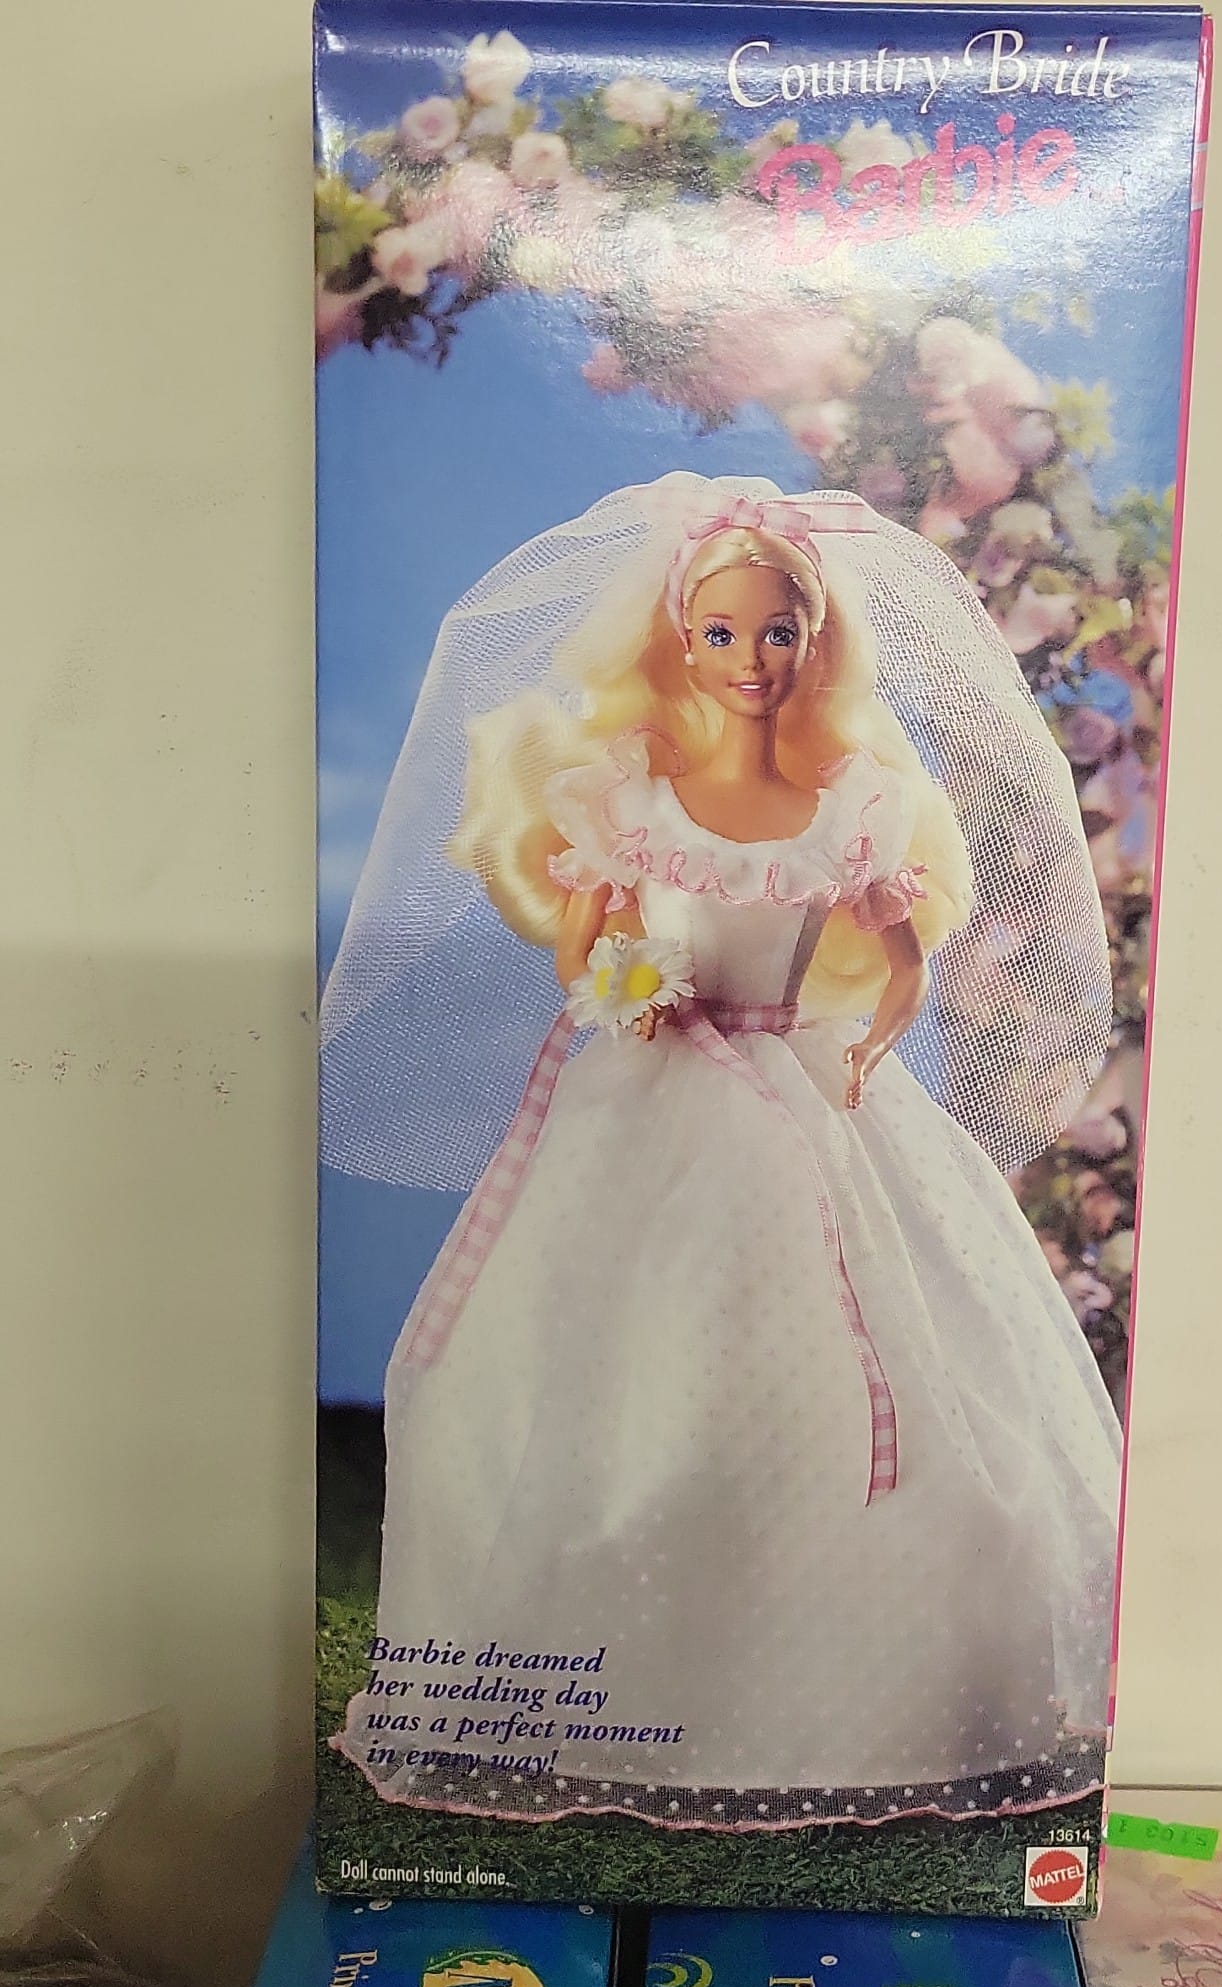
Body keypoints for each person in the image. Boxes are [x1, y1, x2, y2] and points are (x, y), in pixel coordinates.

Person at [323, 473, 1122, 1831]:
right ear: (680, 642)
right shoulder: (628, 799)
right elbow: (585, 954)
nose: (752, 659)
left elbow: (904, 965)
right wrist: (620, 984)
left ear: (816, 644)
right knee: (633, 1369)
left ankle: (877, 1682)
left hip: (815, 1090)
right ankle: (617, 1667)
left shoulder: (855, 806)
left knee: (870, 1367)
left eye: (778, 633)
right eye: (723, 633)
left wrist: (871, 1050)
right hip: (655, 1097)